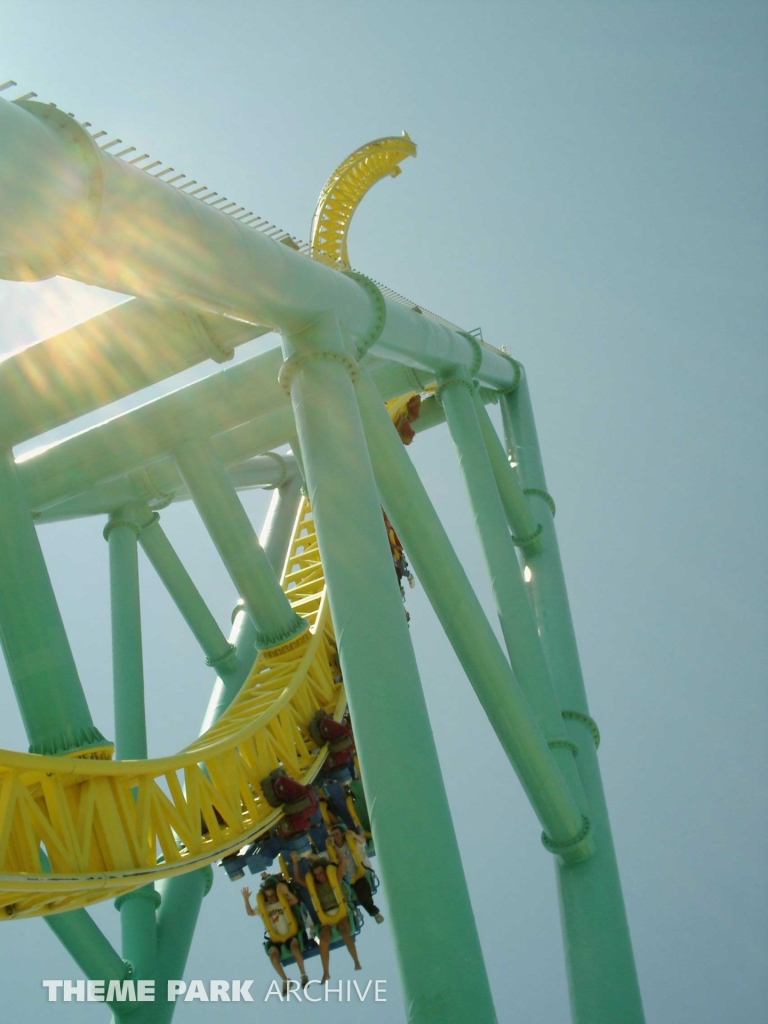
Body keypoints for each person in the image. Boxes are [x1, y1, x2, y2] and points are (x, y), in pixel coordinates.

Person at [291, 851, 361, 983]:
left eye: (321, 873)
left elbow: (342, 863)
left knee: (345, 932)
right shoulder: (315, 886)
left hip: (341, 913)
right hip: (326, 918)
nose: (319, 877)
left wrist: (338, 853)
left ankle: (356, 961)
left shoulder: (335, 879)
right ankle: (326, 972)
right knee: (323, 940)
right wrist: (295, 863)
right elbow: (298, 879)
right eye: (316, 875)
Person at [241, 881, 309, 995]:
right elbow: (250, 912)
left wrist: (286, 892)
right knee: (273, 957)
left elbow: (295, 901)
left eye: (273, 895)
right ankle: (285, 980)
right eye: (268, 896)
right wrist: (246, 899)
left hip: (289, 934)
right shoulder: (264, 907)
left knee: (294, 947)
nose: (271, 898)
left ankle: (303, 975)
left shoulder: (283, 901)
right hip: (276, 938)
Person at [328, 822, 384, 923]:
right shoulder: (332, 851)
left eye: (337, 834)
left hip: (359, 875)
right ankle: (357, 914)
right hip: (346, 879)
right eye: (333, 835)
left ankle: (374, 913)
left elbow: (362, 842)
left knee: (363, 895)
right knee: (346, 897)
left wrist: (354, 835)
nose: (336, 837)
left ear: (342, 834)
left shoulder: (351, 843)